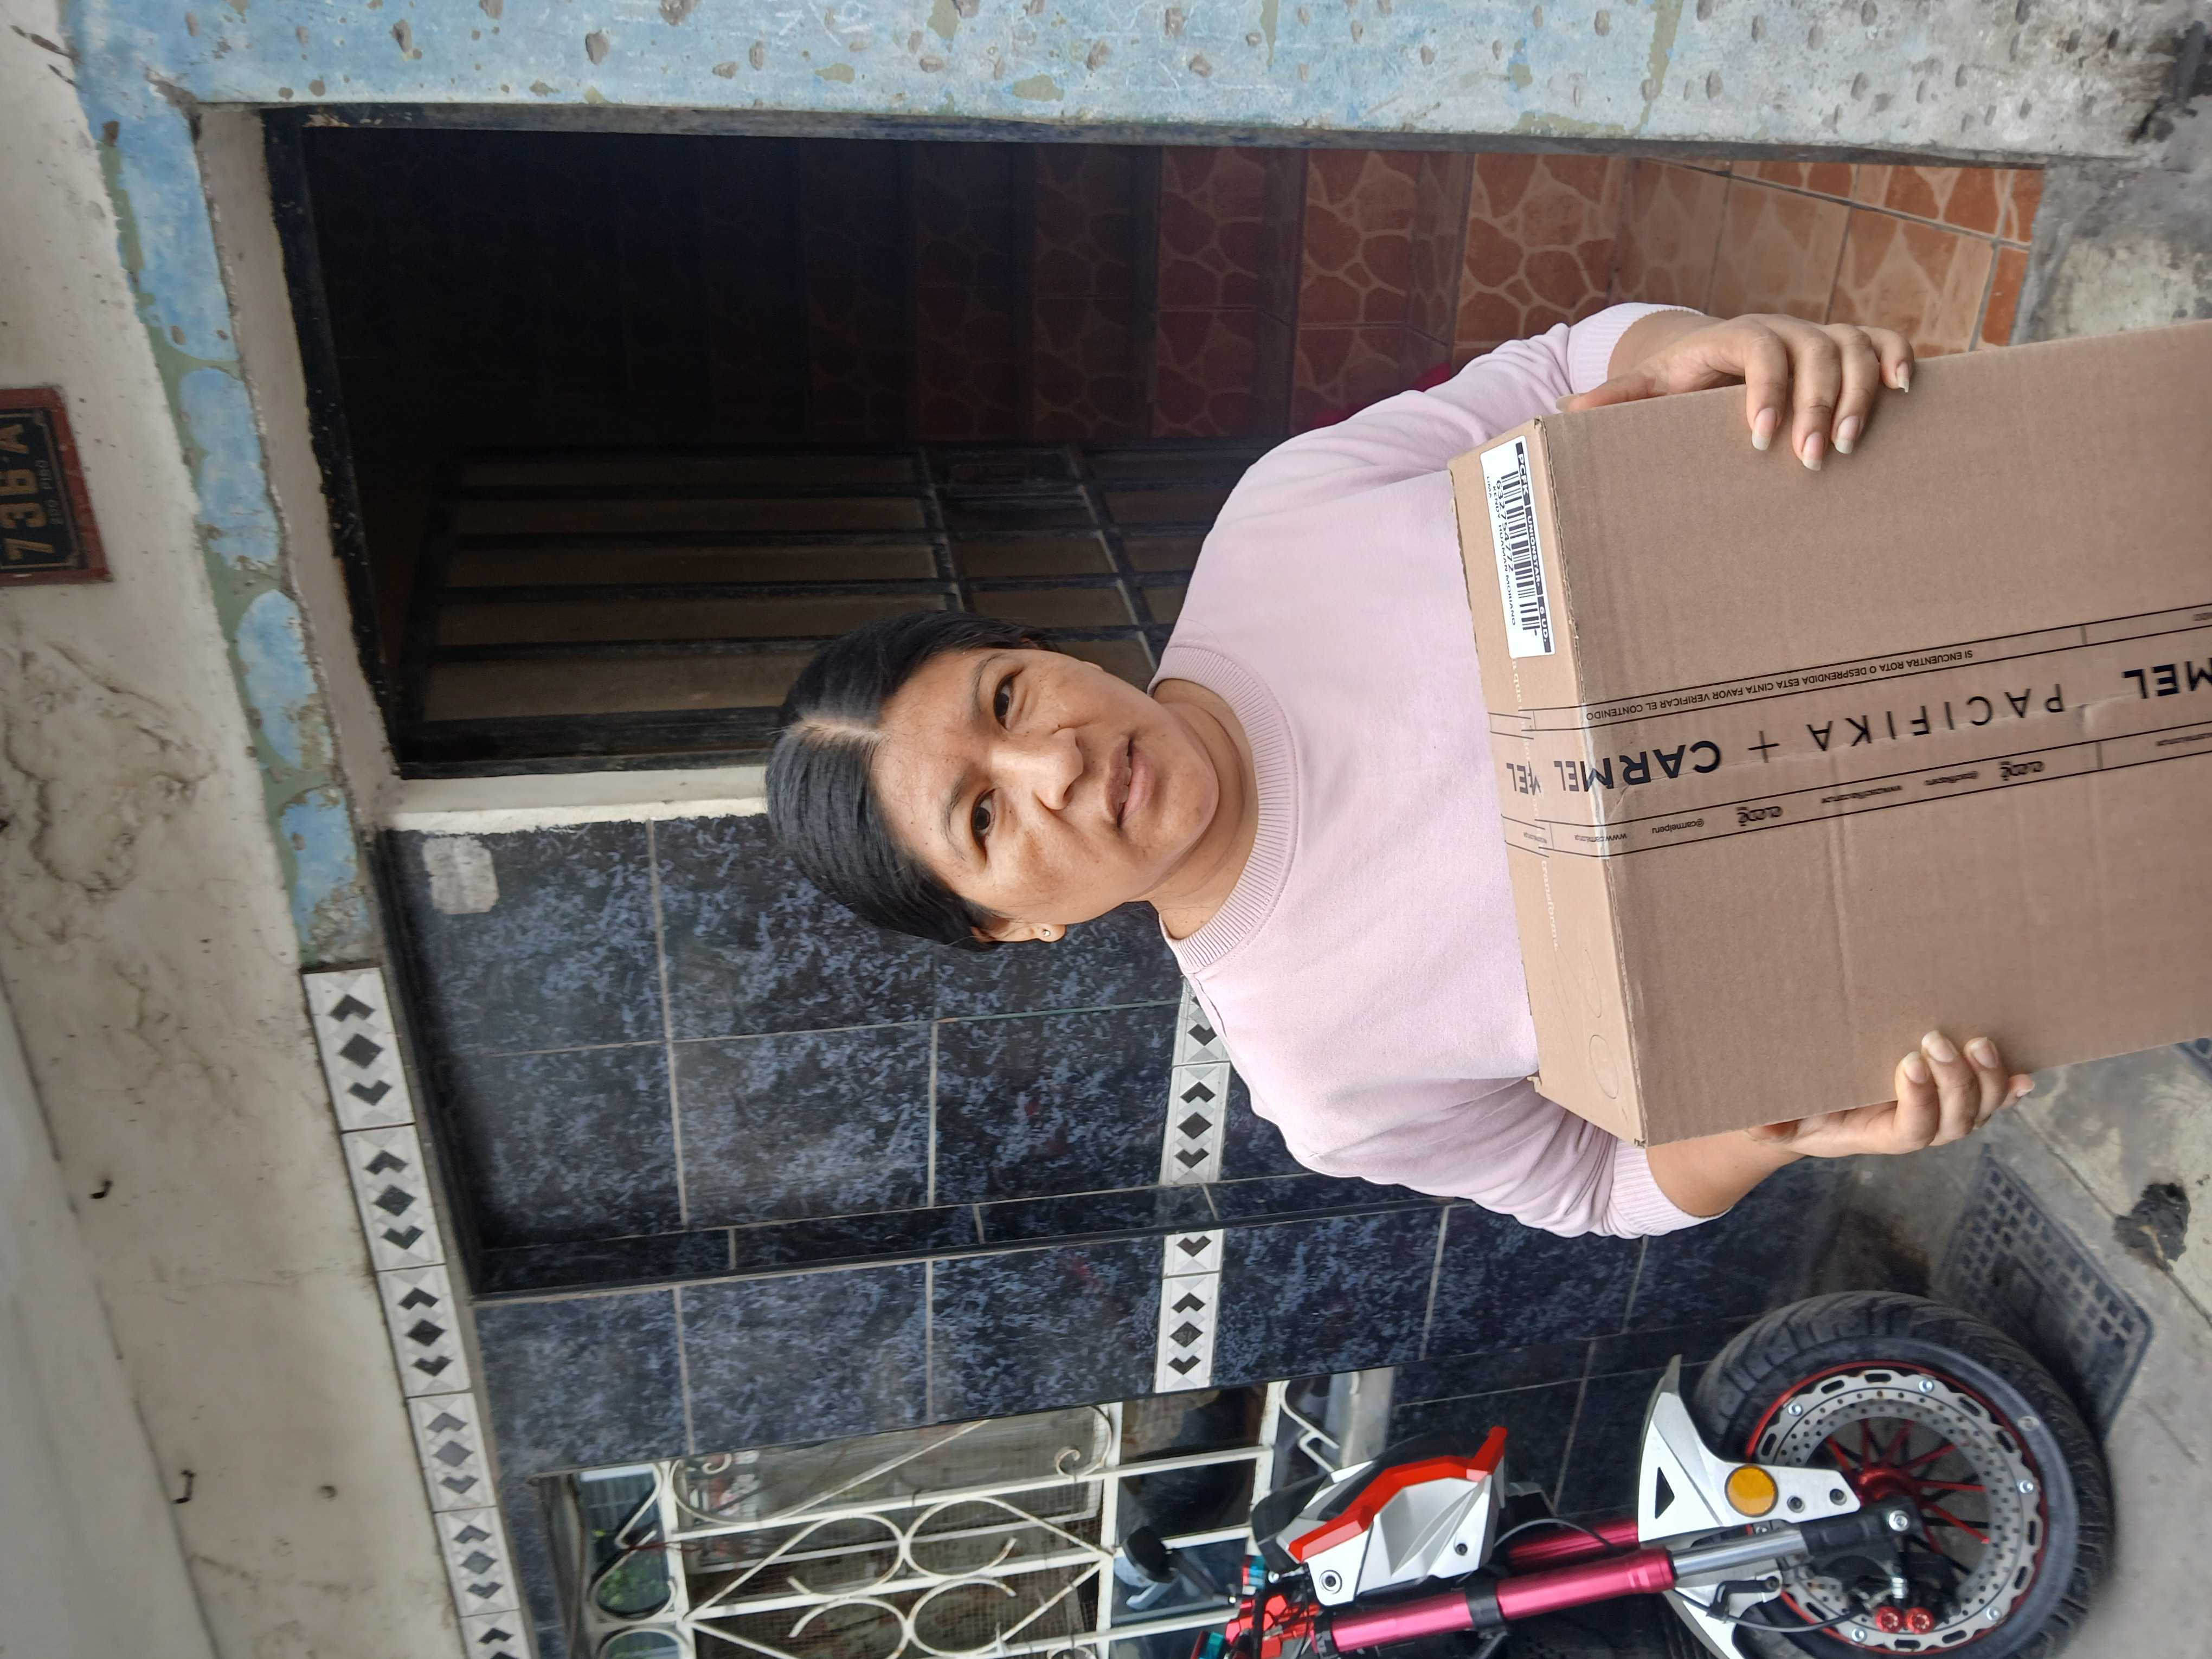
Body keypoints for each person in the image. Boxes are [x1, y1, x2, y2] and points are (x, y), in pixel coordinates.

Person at [767, 305, 2034, 1238]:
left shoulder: (1285, 519)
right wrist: (1782, 1132)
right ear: (1008, 927)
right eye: (986, 816)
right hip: (2008, 873)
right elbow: (1593, 1185)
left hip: (1973, 550)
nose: (1054, 759)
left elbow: (1561, 366)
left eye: (1007, 695)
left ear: (1041, 649)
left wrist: (1699, 354)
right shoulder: (1324, 1076)